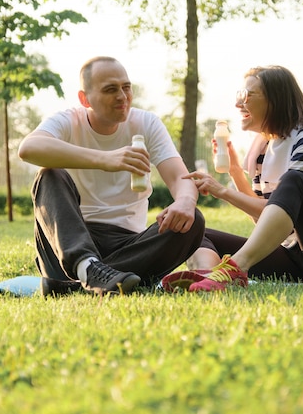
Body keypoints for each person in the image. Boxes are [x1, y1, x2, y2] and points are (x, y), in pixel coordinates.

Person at [162, 65, 303, 292]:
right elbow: (267, 217)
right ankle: (208, 279)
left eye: (247, 95)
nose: (238, 103)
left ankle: (232, 270)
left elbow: (282, 205)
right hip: (297, 256)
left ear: (275, 100)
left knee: (295, 180)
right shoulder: (262, 149)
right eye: (239, 95)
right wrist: (235, 171)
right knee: (194, 231)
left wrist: (221, 190)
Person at [18, 56, 205, 297]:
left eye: (126, 87)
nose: (122, 96)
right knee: (49, 173)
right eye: (110, 89)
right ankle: (86, 267)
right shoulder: (67, 120)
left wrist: (185, 202)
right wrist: (104, 159)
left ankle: (77, 286)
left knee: (193, 222)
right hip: (69, 243)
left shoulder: (147, 123)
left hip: (128, 245)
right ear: (85, 98)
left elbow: (182, 178)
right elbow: (28, 148)